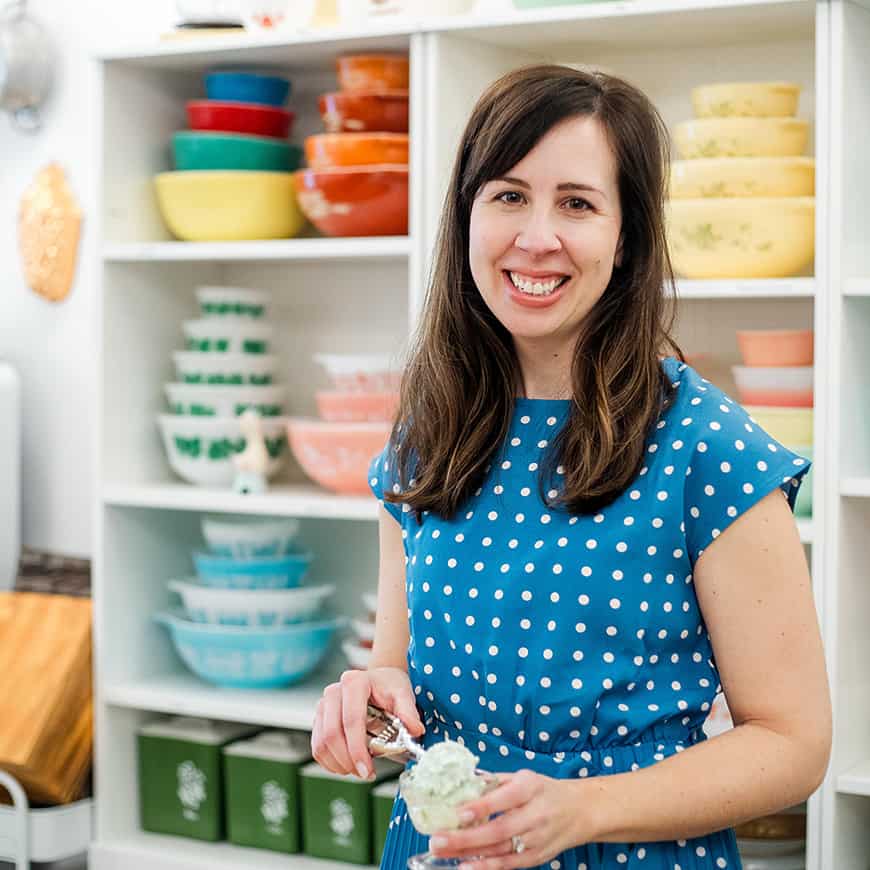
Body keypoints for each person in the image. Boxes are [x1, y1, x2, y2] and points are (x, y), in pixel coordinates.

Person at [311, 64, 832, 870]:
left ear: (626, 238)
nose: (537, 236)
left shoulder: (707, 448)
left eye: (578, 204)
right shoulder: (427, 433)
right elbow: (395, 669)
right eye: (509, 195)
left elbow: (793, 744)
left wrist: (586, 808)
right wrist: (366, 701)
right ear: (467, 217)